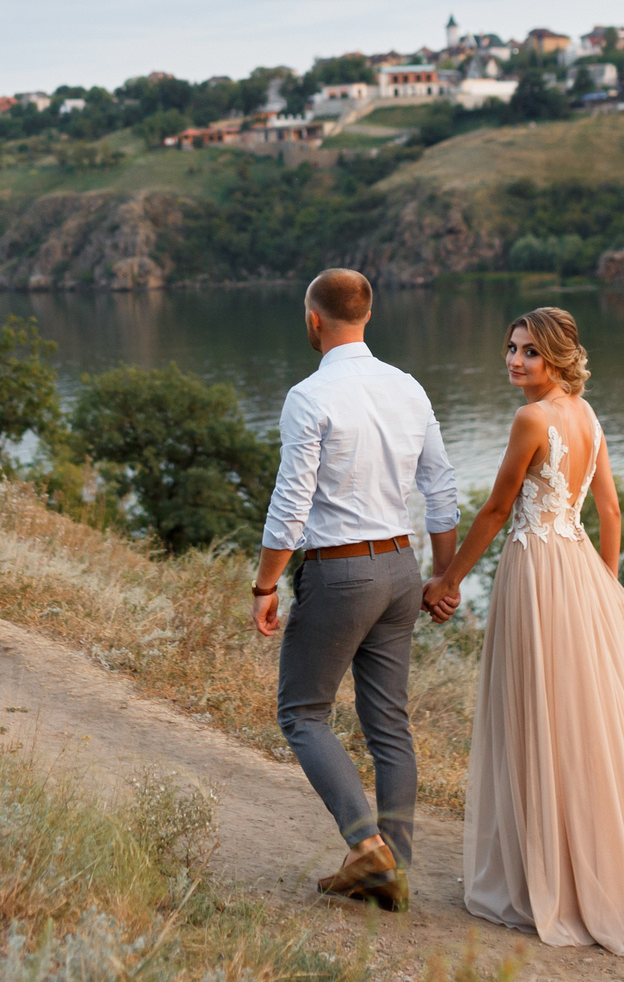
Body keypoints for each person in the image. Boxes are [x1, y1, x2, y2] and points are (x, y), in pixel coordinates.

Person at [422, 307, 624, 957]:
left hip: (538, 577)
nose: (515, 361)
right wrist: (608, 581)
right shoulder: (587, 413)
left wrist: (448, 578)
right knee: (581, 719)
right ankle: (574, 869)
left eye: (529, 352)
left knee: (539, 715)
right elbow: (608, 508)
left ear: (556, 358)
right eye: (511, 348)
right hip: (574, 571)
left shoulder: (532, 418)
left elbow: (495, 508)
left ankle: (552, 879)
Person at [250, 267, 460, 913]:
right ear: (365, 315)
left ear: (313, 320)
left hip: (340, 571)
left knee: (301, 711)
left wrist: (264, 583)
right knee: (388, 723)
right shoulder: (406, 387)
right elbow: (441, 485)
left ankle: (367, 847)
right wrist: (443, 576)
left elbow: (291, 503)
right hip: (400, 568)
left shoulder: (309, 396)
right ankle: (391, 862)